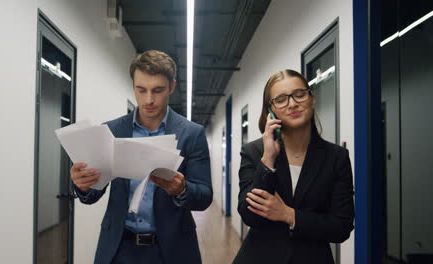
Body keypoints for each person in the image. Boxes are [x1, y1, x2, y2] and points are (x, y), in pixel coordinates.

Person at [70, 50, 213, 264]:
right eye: (141, 90)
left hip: (172, 250)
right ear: (134, 87)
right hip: (119, 248)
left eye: (158, 90)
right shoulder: (111, 130)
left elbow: (204, 196)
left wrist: (182, 190)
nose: (149, 100)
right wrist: (83, 185)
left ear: (172, 87)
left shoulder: (192, 134)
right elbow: (92, 195)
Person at [233, 70, 354, 264]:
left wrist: (289, 215)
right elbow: (250, 216)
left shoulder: (336, 157)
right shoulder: (254, 152)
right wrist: (268, 160)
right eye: (281, 99)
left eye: (299, 94)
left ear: (312, 99)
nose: (292, 103)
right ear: (270, 110)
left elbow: (341, 226)